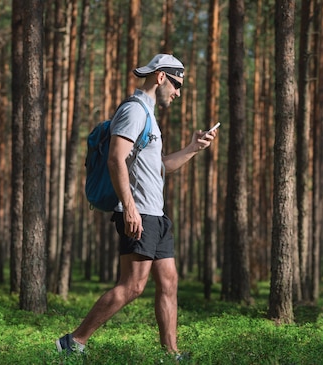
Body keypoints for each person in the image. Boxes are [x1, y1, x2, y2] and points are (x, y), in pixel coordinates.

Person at [56, 53, 218, 358]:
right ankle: (73, 342)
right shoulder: (134, 111)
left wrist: (193, 148)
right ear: (160, 77)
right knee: (132, 286)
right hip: (139, 212)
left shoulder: (149, 115)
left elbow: (160, 167)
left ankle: (170, 352)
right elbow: (115, 158)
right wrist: (129, 208)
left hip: (156, 214)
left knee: (169, 282)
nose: (178, 92)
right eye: (176, 84)